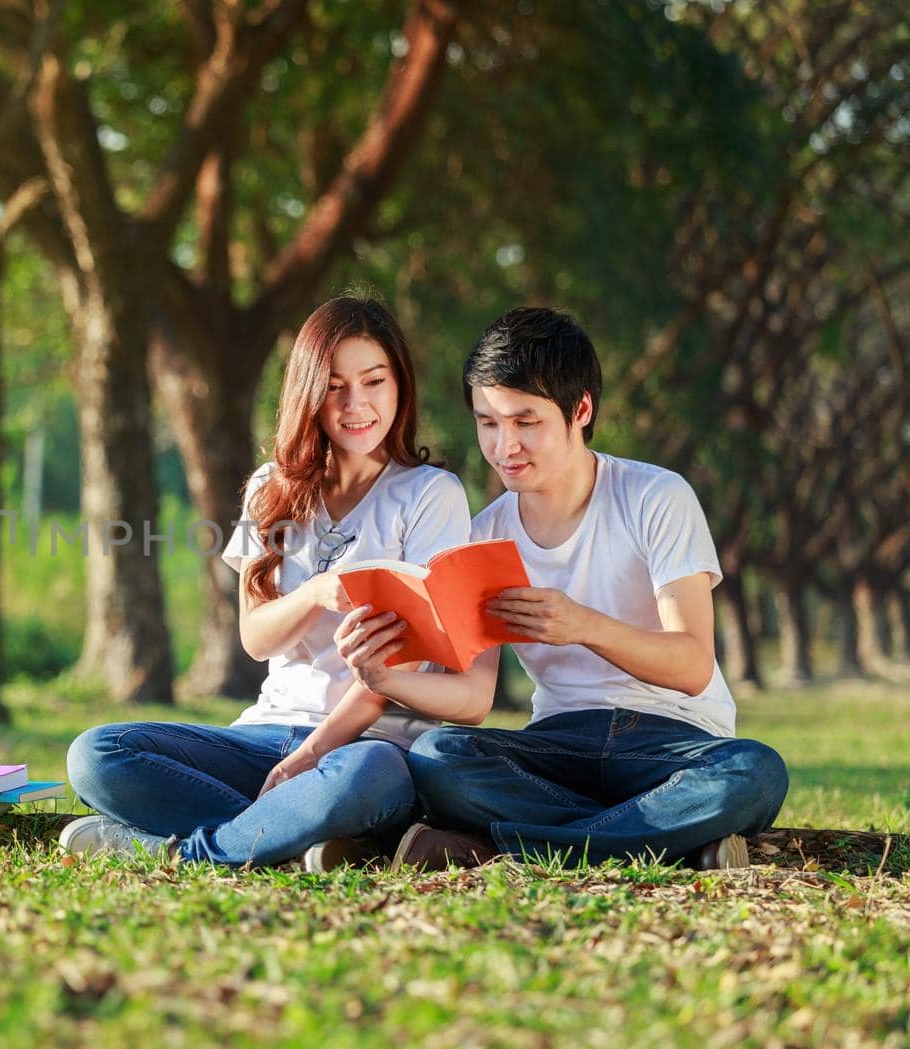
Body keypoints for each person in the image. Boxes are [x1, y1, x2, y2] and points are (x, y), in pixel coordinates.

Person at [59, 295, 498, 871]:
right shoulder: (271, 488)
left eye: (373, 380)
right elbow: (257, 639)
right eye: (335, 386)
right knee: (96, 754)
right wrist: (317, 591)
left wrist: (312, 755)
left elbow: (399, 675)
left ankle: (179, 851)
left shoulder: (429, 494)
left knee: (367, 777)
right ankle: (294, 839)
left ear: (400, 384)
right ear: (308, 393)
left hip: (368, 747)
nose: (356, 404)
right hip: (265, 734)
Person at [392, 306, 789, 872]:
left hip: (672, 742)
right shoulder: (485, 536)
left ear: (580, 409)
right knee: (437, 755)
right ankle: (654, 836)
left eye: (526, 421)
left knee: (754, 773)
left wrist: (583, 626)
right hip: (560, 743)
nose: (505, 446)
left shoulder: (656, 497)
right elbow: (474, 696)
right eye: (488, 422)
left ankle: (510, 847)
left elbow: (693, 664)